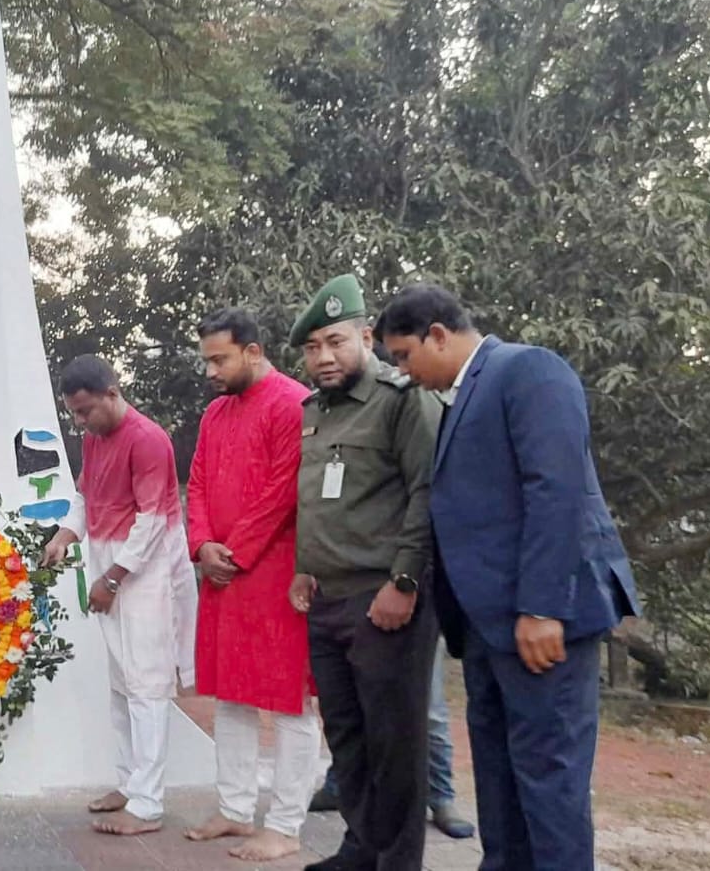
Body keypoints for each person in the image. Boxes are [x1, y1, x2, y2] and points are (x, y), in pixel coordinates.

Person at [376, 284, 640, 871]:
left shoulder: (528, 371)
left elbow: (556, 491)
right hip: (489, 630)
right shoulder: (462, 393)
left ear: (438, 334)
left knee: (549, 783)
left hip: (542, 621)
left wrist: (543, 608)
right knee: (499, 778)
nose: (403, 371)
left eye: (403, 355)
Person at [286, 274, 441, 871]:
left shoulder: (403, 399)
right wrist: (305, 567)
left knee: (394, 743)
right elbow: (320, 499)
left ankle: (398, 862)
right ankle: (361, 848)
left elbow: (426, 493)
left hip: (384, 601)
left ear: (366, 336)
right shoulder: (314, 412)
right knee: (347, 736)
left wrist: (404, 583)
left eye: (335, 342)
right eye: (312, 347)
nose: (323, 357)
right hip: (328, 601)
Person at [181, 310, 319, 861]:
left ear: (255, 351)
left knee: (290, 702)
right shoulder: (215, 413)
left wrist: (230, 553)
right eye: (207, 360)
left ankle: (285, 824)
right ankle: (236, 811)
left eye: (221, 359)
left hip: (277, 575)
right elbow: (196, 483)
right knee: (231, 696)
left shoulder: (295, 403)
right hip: (223, 575)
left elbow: (284, 491)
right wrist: (202, 545)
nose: (212, 370)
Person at [42, 355, 199, 837]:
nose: (80, 421)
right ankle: (130, 785)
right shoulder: (93, 439)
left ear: (113, 393)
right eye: (73, 413)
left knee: (148, 684)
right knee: (119, 680)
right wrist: (65, 536)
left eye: (86, 410)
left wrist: (111, 579)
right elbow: (85, 496)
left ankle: (149, 805)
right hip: (110, 566)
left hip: (146, 573)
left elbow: (151, 523)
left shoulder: (148, 439)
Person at [310, 639, 477, 840]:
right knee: (349, 700)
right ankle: (338, 783)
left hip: (415, 618)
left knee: (428, 710)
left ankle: (442, 797)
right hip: (349, 613)